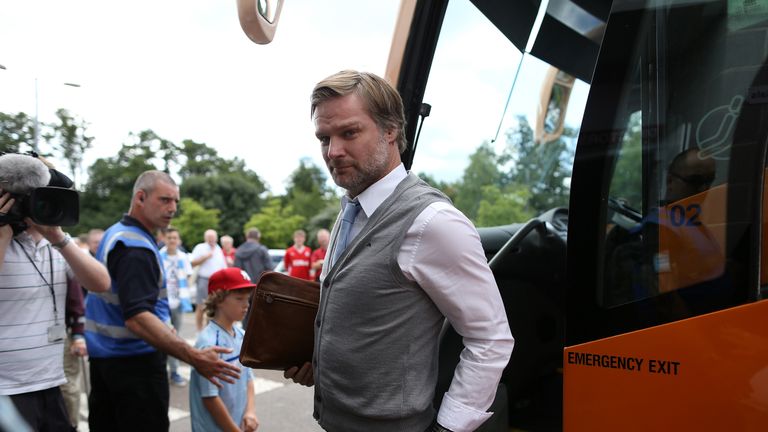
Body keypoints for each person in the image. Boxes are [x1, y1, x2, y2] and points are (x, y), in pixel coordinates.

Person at [284, 70, 514, 432]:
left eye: (349, 132)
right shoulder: (350, 210)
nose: (333, 151)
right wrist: (317, 362)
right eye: (324, 138)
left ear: (390, 130)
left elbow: (491, 338)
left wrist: (450, 428)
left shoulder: (432, 222)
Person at [85, 170, 241, 431]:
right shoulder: (135, 247)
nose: (173, 208)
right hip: (133, 368)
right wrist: (193, 356)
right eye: (165, 200)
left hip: (107, 362)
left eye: (176, 201)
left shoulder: (117, 233)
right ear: (140, 198)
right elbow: (137, 318)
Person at [0, 153, 111, 431]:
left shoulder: (57, 244)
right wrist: (2, 229)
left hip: (51, 381)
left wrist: (59, 237)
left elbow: (101, 283)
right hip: (5, 388)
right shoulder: (4, 242)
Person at [189, 267, 258, 432]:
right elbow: (210, 397)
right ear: (218, 299)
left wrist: (250, 412)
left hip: (237, 424)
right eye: (239, 298)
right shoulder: (209, 343)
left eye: (247, 299)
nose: (246, 305)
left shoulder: (242, 335)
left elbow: (248, 378)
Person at [159, 227, 195, 387]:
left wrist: (184, 292)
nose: (172, 240)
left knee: (175, 337)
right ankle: (163, 369)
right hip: (163, 303)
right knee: (161, 336)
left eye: (175, 238)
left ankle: (174, 371)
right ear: (164, 239)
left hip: (178, 302)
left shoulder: (183, 257)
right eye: (169, 238)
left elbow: (188, 275)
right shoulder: (159, 255)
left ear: (178, 240)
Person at [191, 229, 228, 332]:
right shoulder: (200, 247)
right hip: (203, 279)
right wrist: (205, 257)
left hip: (216, 281)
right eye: (209, 237)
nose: (211, 239)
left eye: (213, 237)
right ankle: (199, 330)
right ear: (205, 238)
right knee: (201, 306)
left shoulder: (218, 249)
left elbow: (223, 266)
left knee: (213, 307)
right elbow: (192, 263)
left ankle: (209, 330)